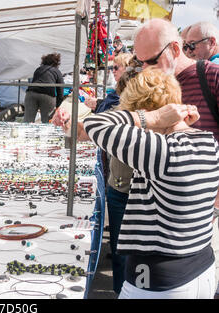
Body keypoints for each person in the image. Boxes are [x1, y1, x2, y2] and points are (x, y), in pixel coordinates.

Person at [81, 67, 218, 298]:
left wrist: (150, 118)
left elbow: (94, 125)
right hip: (202, 267)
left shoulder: (159, 149)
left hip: (159, 279)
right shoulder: (208, 141)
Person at [134, 18, 219, 297]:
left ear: (174, 48)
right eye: (139, 62)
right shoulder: (156, 86)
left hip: (206, 219)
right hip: (163, 224)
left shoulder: (212, 77)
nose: (143, 70)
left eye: (150, 61)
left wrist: (214, 204)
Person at [53, 55, 141, 295]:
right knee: (121, 251)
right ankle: (119, 291)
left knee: (134, 254)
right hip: (119, 188)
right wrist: (66, 119)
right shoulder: (118, 112)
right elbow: (86, 131)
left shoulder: (152, 121)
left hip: (137, 194)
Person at [24, 53, 64, 123]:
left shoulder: (38, 69)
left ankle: (25, 133)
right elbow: (60, 89)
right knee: (47, 122)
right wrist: (58, 105)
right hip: (47, 96)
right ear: (56, 62)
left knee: (28, 121)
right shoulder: (57, 71)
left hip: (31, 94)